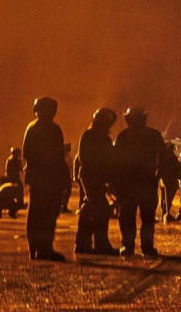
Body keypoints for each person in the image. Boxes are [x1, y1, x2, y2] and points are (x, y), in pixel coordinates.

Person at [113, 107, 164, 258]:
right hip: (146, 183)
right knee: (147, 218)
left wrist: (115, 182)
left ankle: (128, 246)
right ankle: (146, 247)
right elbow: (164, 157)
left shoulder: (123, 136)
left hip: (129, 184)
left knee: (128, 217)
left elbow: (115, 160)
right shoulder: (154, 135)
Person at [23, 97, 68, 262]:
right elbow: (58, 156)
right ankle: (44, 249)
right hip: (48, 178)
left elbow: (27, 154)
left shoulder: (32, 128)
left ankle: (35, 248)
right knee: (47, 214)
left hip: (39, 178)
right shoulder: (52, 129)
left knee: (37, 214)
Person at [74, 108, 120, 255]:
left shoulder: (93, 135)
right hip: (92, 177)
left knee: (90, 208)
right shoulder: (93, 135)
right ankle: (101, 244)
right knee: (101, 209)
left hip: (94, 177)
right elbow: (86, 158)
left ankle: (82, 243)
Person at [158, 141, 181, 223]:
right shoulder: (173, 158)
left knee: (165, 197)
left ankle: (164, 213)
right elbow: (177, 169)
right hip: (171, 180)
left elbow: (160, 169)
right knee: (168, 198)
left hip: (164, 180)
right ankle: (166, 214)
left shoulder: (162, 158)